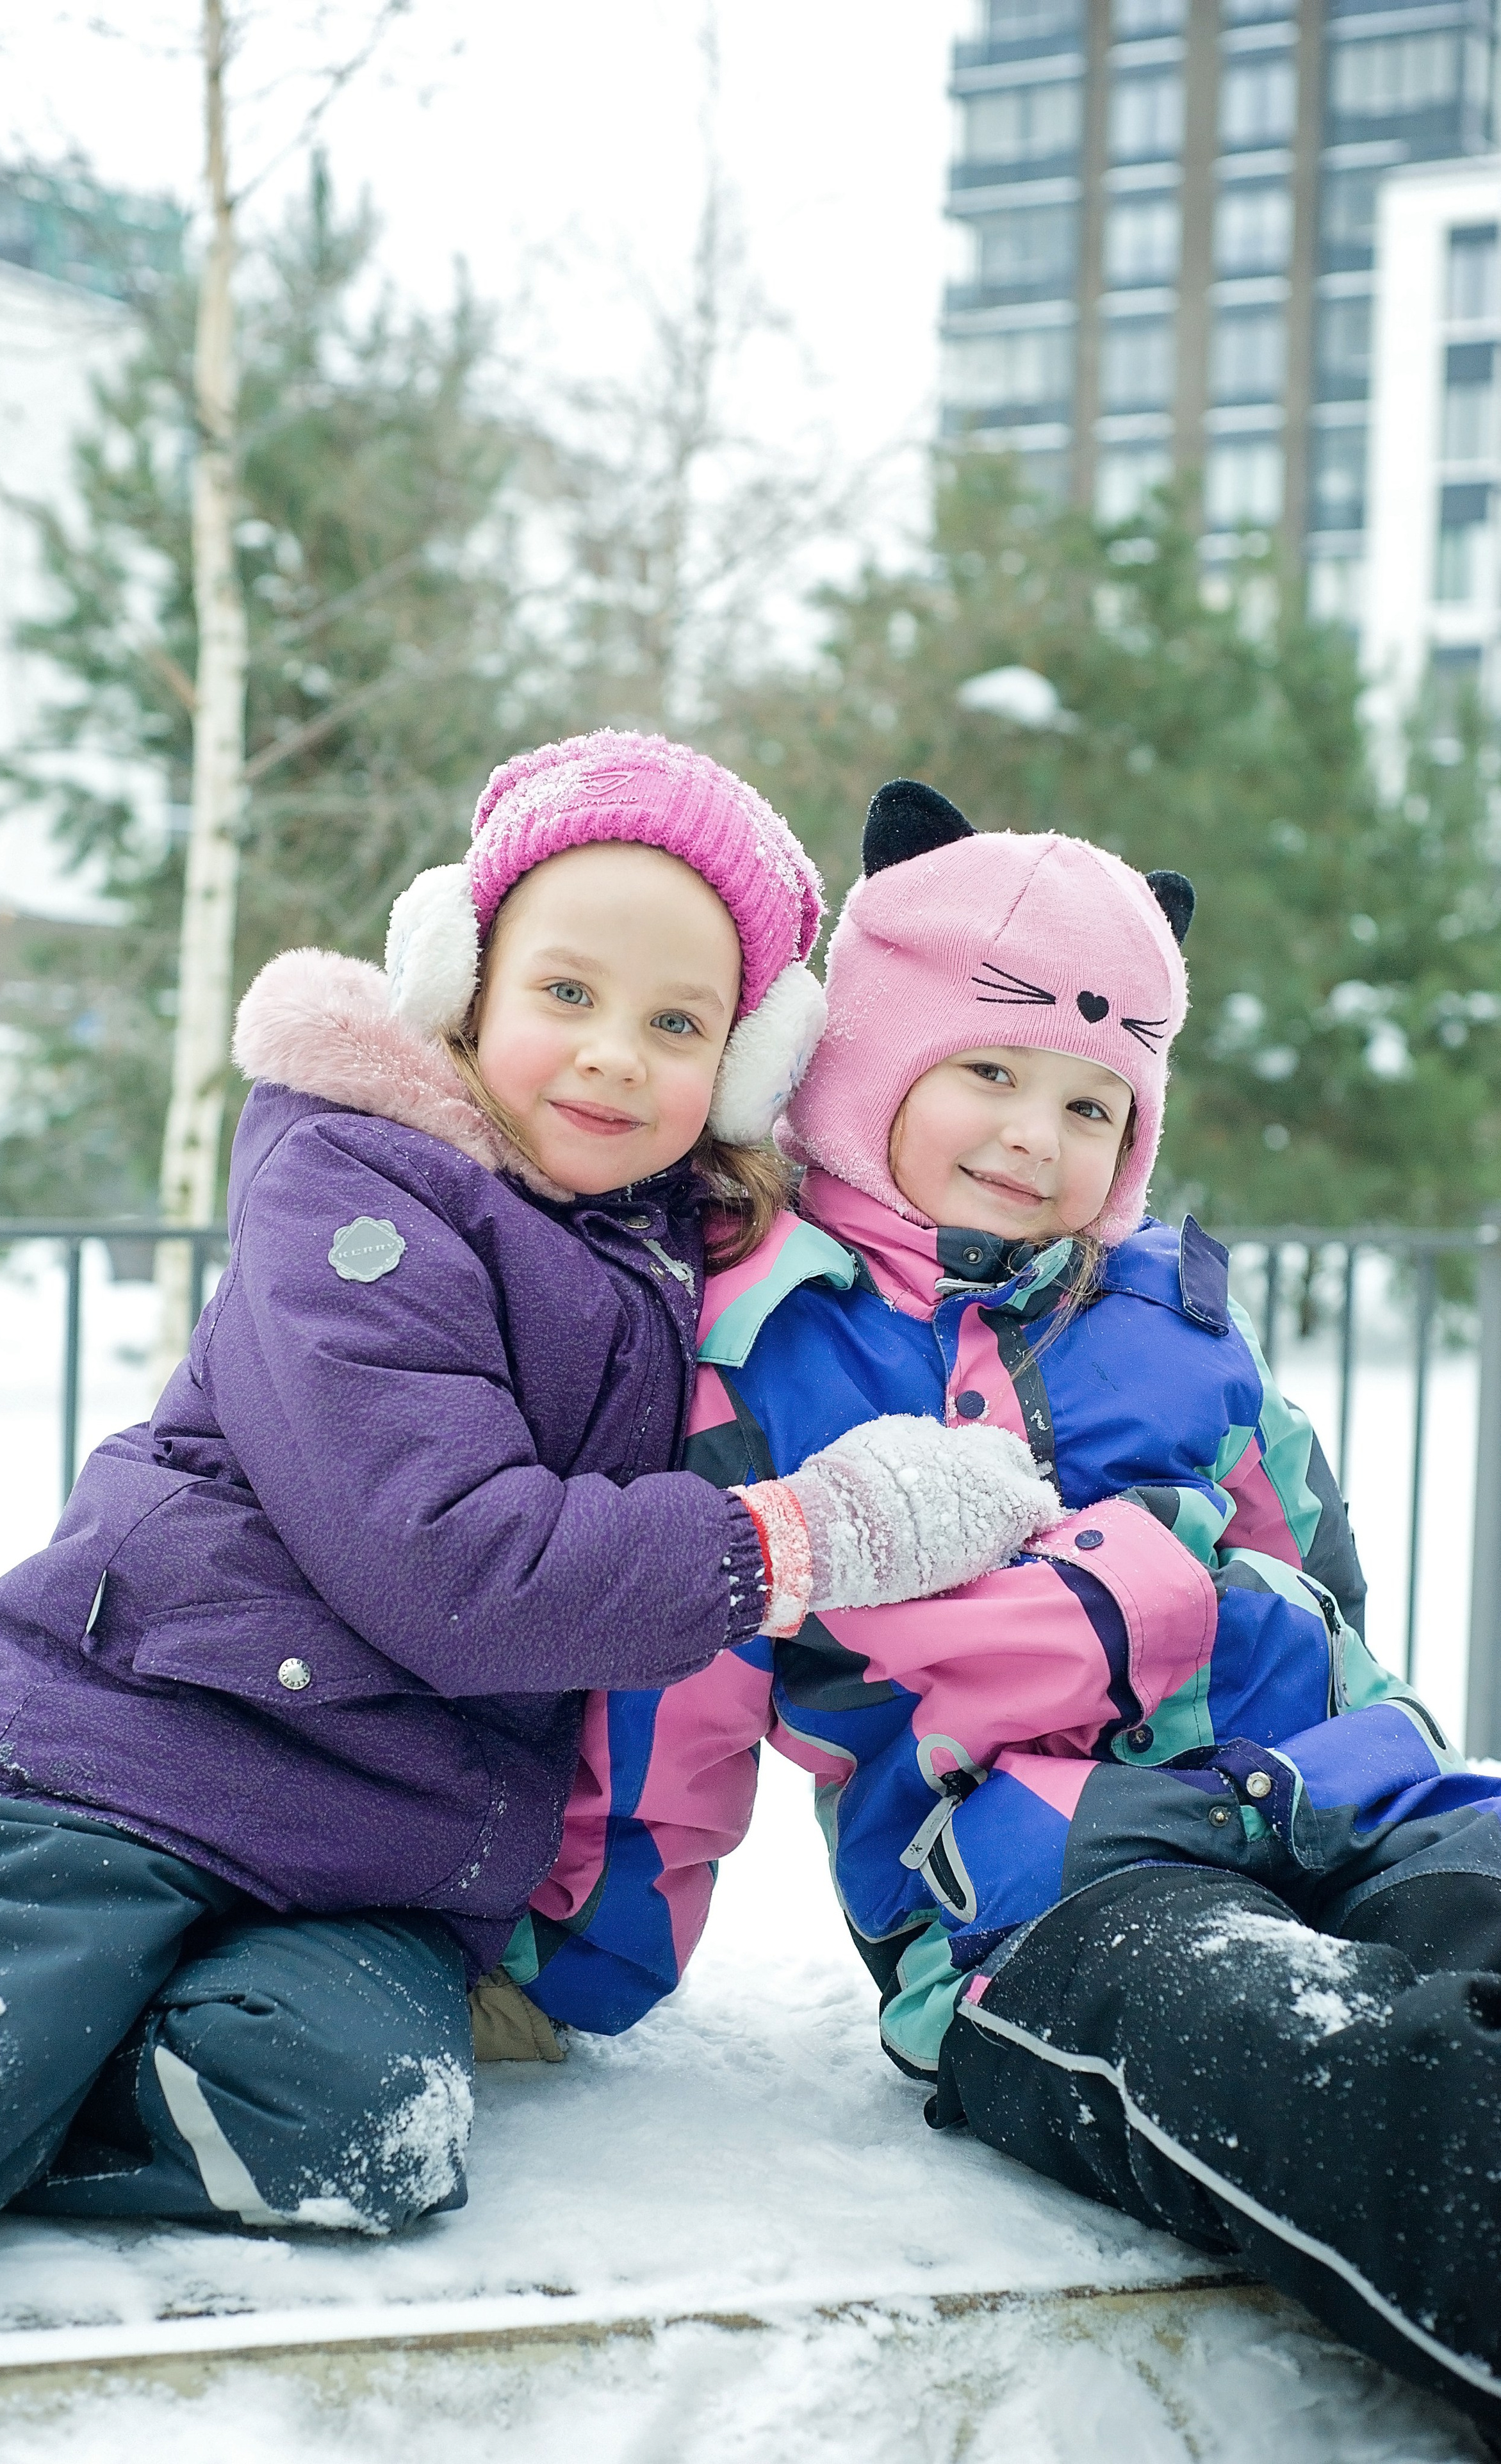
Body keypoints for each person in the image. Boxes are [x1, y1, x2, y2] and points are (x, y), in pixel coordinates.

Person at [0, 738, 1059, 2268]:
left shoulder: (668, 1248)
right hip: (122, 1761)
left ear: (744, 1067)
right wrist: (808, 1532)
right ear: (462, 979)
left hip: (370, 1856)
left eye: (676, 1021)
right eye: (567, 994)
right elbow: (451, 1563)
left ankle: (46, 2087)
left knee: (363, 2131)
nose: (616, 1053)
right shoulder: (358, 1186)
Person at [513, 781, 1501, 2447]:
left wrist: (1324, 1708)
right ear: (870, 1059)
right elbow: (670, 1682)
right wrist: (571, 1963)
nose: (1037, 1137)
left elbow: (1319, 1572)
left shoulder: (1176, 1325)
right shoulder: (762, 1359)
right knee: (1334, 2072)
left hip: (1339, 1783)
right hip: (1045, 1889)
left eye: (1094, 1106)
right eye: (987, 1069)